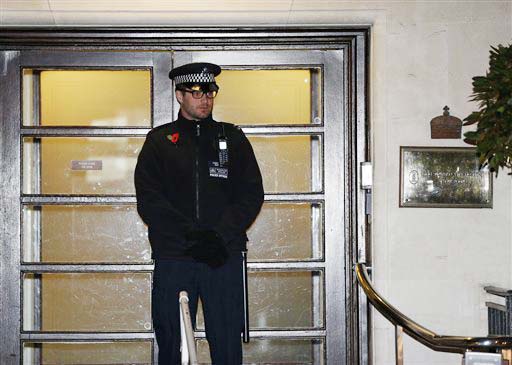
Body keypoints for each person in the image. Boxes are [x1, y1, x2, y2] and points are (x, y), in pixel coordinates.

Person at [134, 62, 264, 364]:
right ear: (179, 95)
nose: (205, 99)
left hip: (223, 255)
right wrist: (189, 233)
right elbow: (150, 199)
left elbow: (251, 193)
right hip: (175, 257)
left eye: (210, 92)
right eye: (196, 93)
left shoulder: (232, 138)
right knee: (173, 342)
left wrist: (218, 235)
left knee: (227, 341)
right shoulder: (159, 141)